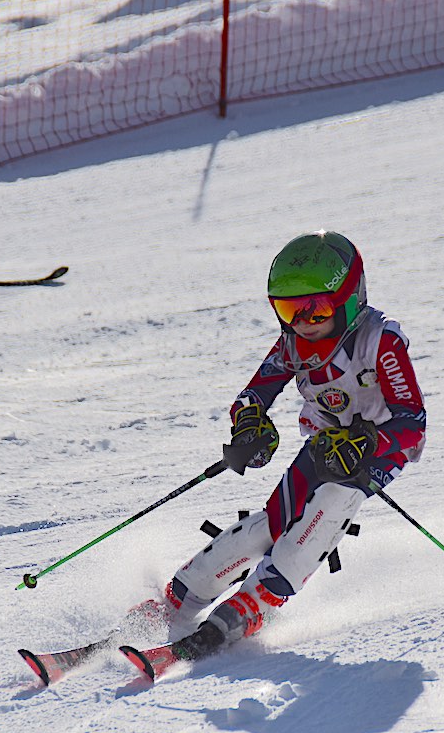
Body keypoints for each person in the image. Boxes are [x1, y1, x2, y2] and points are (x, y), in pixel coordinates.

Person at [162, 230, 427, 658]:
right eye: (289, 309)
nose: (303, 320)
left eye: (316, 307)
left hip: (380, 448)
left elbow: (413, 422)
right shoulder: (293, 343)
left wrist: (367, 441)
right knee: (273, 523)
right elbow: (254, 393)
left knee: (330, 507)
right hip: (326, 443)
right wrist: (249, 424)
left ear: (350, 298)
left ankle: (254, 605)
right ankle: (182, 597)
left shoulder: (381, 341)